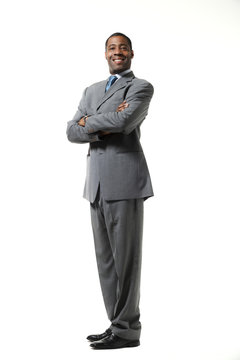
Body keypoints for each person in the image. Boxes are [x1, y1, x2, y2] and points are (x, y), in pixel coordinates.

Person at [66, 32, 154, 350]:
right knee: (106, 261)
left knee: (126, 259)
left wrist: (90, 122)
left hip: (125, 180)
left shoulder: (141, 87)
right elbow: (71, 131)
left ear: (131, 53)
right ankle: (116, 323)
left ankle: (128, 330)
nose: (118, 51)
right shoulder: (91, 90)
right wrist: (100, 122)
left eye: (123, 47)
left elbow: (124, 121)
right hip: (96, 185)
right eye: (112, 48)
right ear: (105, 54)